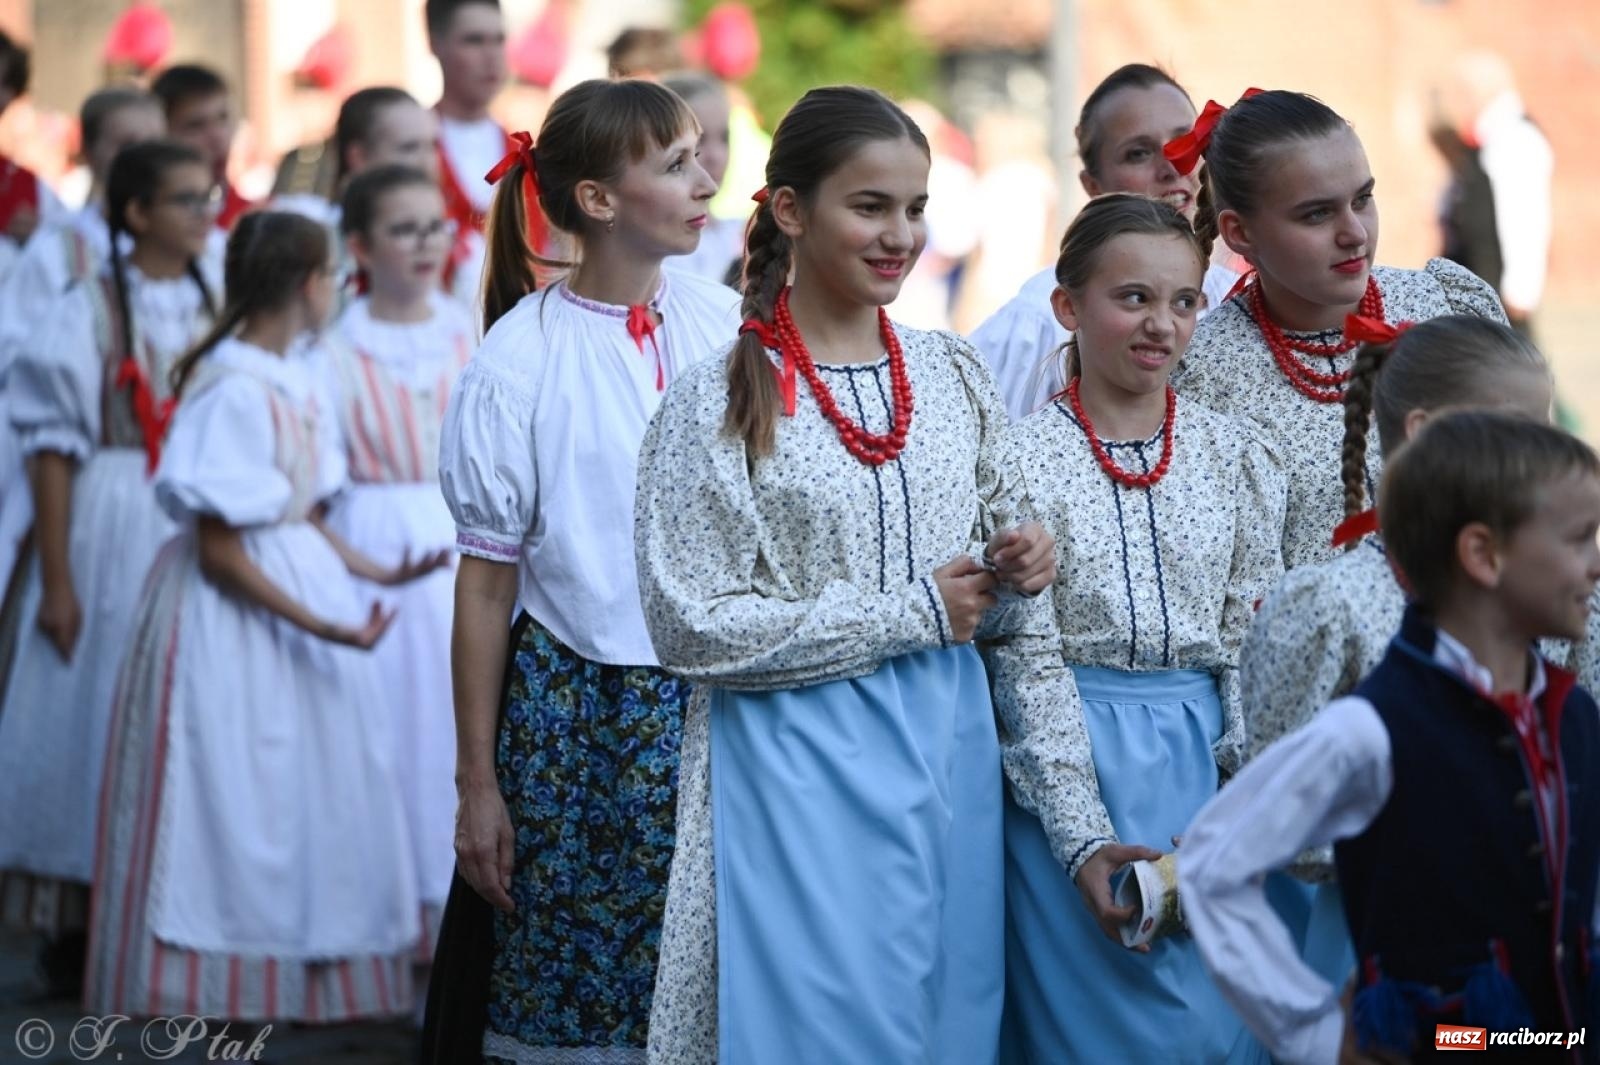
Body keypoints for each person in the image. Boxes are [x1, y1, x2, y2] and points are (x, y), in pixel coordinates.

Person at [636, 84, 1053, 1065]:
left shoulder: (951, 375)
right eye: (869, 206)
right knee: (827, 1031)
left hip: (947, 750)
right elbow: (690, 625)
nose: (899, 234)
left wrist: (1015, 565)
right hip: (799, 765)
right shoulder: (718, 401)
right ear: (789, 210)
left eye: (914, 208)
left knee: (947, 1021)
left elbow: (986, 598)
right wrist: (906, 612)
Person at [424, 78, 735, 1063]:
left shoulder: (722, 327)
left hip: (717, 694)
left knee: (716, 966)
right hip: (584, 713)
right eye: (676, 164)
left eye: (698, 156)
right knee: (585, 983)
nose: (705, 179)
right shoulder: (520, 364)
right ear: (598, 200)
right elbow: (484, 587)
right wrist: (478, 783)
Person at [85, 210, 438, 1021]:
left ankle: (295, 976)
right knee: (234, 788)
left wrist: (378, 570)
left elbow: (298, 504)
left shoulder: (295, 374)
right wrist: (325, 628)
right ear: (307, 285)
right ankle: (214, 983)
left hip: (298, 593)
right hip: (233, 622)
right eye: (330, 278)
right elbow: (221, 548)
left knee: (305, 787)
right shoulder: (234, 389)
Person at [1181, 410, 1600, 1064]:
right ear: (1484, 555)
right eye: (1579, 539)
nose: (1596, 564)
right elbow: (1211, 862)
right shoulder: (1372, 728)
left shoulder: (1571, 713)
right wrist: (1314, 1033)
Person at [986, 192, 1284, 1063]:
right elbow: (1028, 667)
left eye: (1183, 300)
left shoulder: (1237, 458)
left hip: (1208, 764)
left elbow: (1247, 645)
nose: (1161, 323)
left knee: (1217, 1026)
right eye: (1133, 298)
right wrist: (1080, 835)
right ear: (1068, 307)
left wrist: (1245, 807)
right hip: (1075, 766)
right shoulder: (1019, 462)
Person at [0, 140, 220, 994]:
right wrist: (57, 579)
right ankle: (83, 915)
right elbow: (53, 451)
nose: (206, 214)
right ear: (137, 216)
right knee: (93, 707)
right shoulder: (83, 308)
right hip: (108, 519)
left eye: (207, 199)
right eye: (186, 201)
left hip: (188, 517)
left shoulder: (219, 300)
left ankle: (174, 901)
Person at [1171, 89, 1508, 570]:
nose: (1355, 232)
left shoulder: (1445, 308)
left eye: (1363, 199)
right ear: (1240, 233)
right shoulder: (1202, 377)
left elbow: (1533, 497)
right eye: (1317, 213)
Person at [318, 163, 472, 996]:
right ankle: (385, 920)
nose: (425, 244)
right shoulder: (337, 346)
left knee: (450, 730)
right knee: (386, 735)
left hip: (460, 550)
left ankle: (450, 913)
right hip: (371, 548)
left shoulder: (465, 331)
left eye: (435, 225)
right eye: (404, 229)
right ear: (361, 247)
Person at [969, 64, 1240, 420]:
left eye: (1184, 142)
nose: (1172, 166)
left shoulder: (1234, 299)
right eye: (1138, 153)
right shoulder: (1036, 323)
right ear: (1092, 184)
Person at [425, 0, 509, 304]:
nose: (492, 57)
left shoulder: (526, 152)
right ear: (435, 44)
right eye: (474, 40)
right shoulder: (411, 147)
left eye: (499, 40)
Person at [151, 64, 254, 230]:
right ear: (162, 134)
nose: (217, 136)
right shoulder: (153, 230)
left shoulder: (256, 217)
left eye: (223, 118)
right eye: (195, 126)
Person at [661, 72, 740, 286]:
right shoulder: (656, 253)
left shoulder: (742, 236)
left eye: (724, 138)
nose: (716, 155)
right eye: (700, 142)